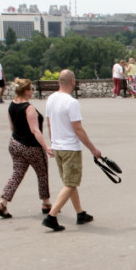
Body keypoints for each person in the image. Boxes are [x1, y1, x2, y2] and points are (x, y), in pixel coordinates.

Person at [42, 69, 102, 232]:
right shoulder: (71, 102)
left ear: (59, 82)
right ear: (73, 82)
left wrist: (52, 142)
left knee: (70, 182)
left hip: (58, 147)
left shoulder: (51, 99)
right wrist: (93, 149)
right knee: (70, 183)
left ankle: (80, 213)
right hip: (70, 148)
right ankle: (52, 216)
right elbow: (78, 129)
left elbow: (49, 123)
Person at [0, 78, 53, 219]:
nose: (32, 91)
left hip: (15, 144)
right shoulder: (29, 108)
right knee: (42, 173)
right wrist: (45, 146)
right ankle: (46, 203)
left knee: (17, 174)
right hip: (31, 146)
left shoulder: (12, 105)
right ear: (25, 91)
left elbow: (12, 127)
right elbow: (35, 130)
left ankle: (3, 203)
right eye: (31, 89)